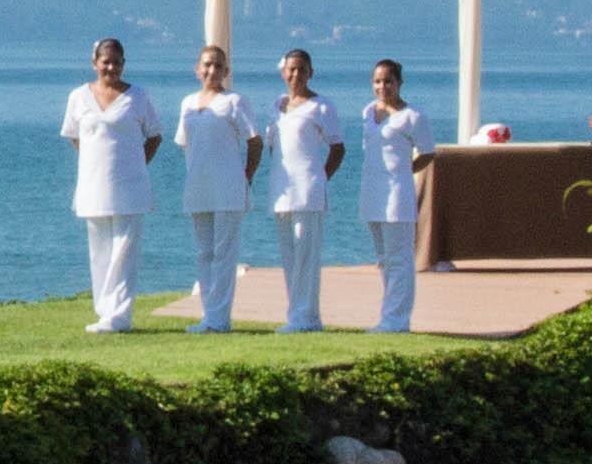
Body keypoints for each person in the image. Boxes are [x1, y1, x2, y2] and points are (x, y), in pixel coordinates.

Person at [59, 38, 159, 332]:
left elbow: (154, 136)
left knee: (124, 251)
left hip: (130, 187)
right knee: (99, 250)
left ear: (124, 64)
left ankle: (120, 315)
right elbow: (75, 137)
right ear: (95, 63)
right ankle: (104, 311)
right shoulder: (78, 97)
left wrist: (133, 166)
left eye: (116, 62)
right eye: (106, 62)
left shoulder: (138, 96)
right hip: (93, 186)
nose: (111, 67)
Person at [176, 43, 266, 330]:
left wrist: (246, 175)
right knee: (204, 253)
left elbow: (255, 141)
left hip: (228, 188)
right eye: (206, 64)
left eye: (218, 65)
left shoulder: (235, 102)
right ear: (197, 69)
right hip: (199, 188)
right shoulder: (188, 103)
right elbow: (185, 144)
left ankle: (219, 318)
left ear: (226, 71)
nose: (211, 70)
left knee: (225, 253)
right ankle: (208, 314)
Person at [267, 49, 346, 333]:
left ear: (310, 72)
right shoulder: (276, 107)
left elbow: (337, 148)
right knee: (289, 257)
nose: (295, 75)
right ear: (283, 72)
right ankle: (295, 315)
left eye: (301, 69)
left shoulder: (321, 106)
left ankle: (308, 317)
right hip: (281, 192)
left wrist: (320, 178)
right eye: (291, 69)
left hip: (309, 193)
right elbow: (274, 147)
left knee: (306, 257)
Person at [360, 56, 436, 334]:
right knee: (383, 258)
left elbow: (428, 153)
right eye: (378, 81)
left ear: (399, 83)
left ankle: (397, 320)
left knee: (399, 259)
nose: (383, 86)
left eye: (388, 81)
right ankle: (387, 315)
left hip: (397, 196)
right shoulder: (368, 112)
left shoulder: (413, 116)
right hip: (372, 193)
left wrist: (405, 170)